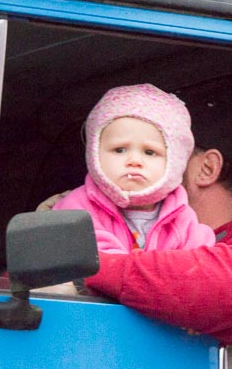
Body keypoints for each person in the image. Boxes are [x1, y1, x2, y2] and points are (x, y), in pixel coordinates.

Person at [38, 93, 232, 347]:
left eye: (155, 152)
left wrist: (85, 266)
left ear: (206, 168)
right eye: (119, 149)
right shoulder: (84, 210)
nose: (135, 163)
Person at [52, 83, 215, 253]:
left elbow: (198, 264)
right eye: (119, 150)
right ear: (94, 154)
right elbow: (84, 256)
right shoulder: (76, 208)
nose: (134, 161)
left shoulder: (182, 217)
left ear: (175, 162)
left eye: (150, 152)